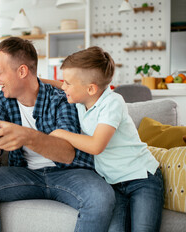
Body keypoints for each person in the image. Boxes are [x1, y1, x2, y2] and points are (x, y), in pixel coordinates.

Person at [0, 37, 116, 232]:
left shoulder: (60, 99)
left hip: (68, 173)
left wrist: (27, 136)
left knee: (102, 196)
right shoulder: (2, 102)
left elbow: (67, 154)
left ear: (22, 71)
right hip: (25, 173)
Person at [49, 46, 164, 232]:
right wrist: (36, 81)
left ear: (91, 88)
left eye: (67, 83)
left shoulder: (113, 102)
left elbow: (96, 146)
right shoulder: (80, 100)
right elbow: (58, 84)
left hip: (141, 178)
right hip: (113, 184)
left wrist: (60, 133)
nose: (63, 87)